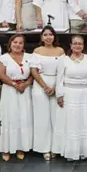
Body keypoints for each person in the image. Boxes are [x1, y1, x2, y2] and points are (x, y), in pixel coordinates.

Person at [53, 35, 87, 161]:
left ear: (83, 46)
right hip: (69, 94)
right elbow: (59, 79)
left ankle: (84, 150)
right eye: (75, 43)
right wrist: (60, 94)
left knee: (84, 122)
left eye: (80, 44)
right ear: (70, 45)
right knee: (70, 123)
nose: (77, 46)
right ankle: (70, 152)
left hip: (84, 94)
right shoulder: (63, 60)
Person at [30, 26, 65, 160]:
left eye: (51, 34)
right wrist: (45, 86)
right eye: (45, 35)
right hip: (40, 85)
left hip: (57, 84)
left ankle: (56, 147)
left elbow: (62, 71)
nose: (48, 37)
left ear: (54, 36)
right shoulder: (37, 51)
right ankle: (44, 148)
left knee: (56, 118)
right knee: (42, 118)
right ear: (41, 37)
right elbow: (34, 71)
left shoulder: (60, 51)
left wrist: (55, 87)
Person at [0, 34, 34, 161]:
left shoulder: (30, 57)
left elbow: (33, 74)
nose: (17, 45)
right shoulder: (3, 58)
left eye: (20, 43)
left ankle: (20, 147)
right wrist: (14, 84)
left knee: (23, 117)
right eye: (15, 42)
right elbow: (1, 75)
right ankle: (7, 149)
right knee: (10, 117)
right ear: (10, 44)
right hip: (10, 90)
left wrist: (25, 84)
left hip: (25, 90)